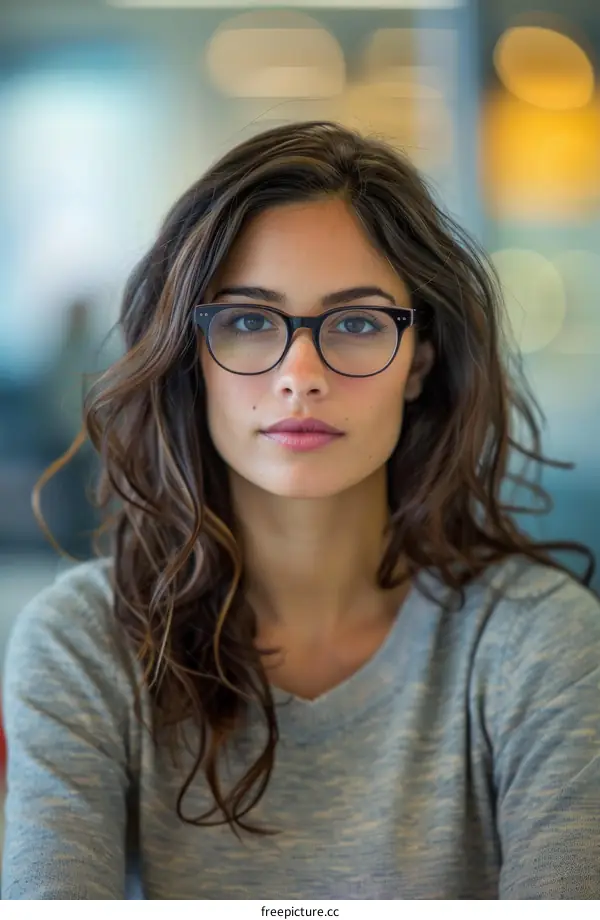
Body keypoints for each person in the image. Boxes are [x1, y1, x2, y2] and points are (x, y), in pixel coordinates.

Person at [2, 121, 600, 900]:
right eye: (249, 322)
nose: (301, 374)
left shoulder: (536, 640)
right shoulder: (85, 643)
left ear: (418, 361)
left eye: (355, 323)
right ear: (193, 360)